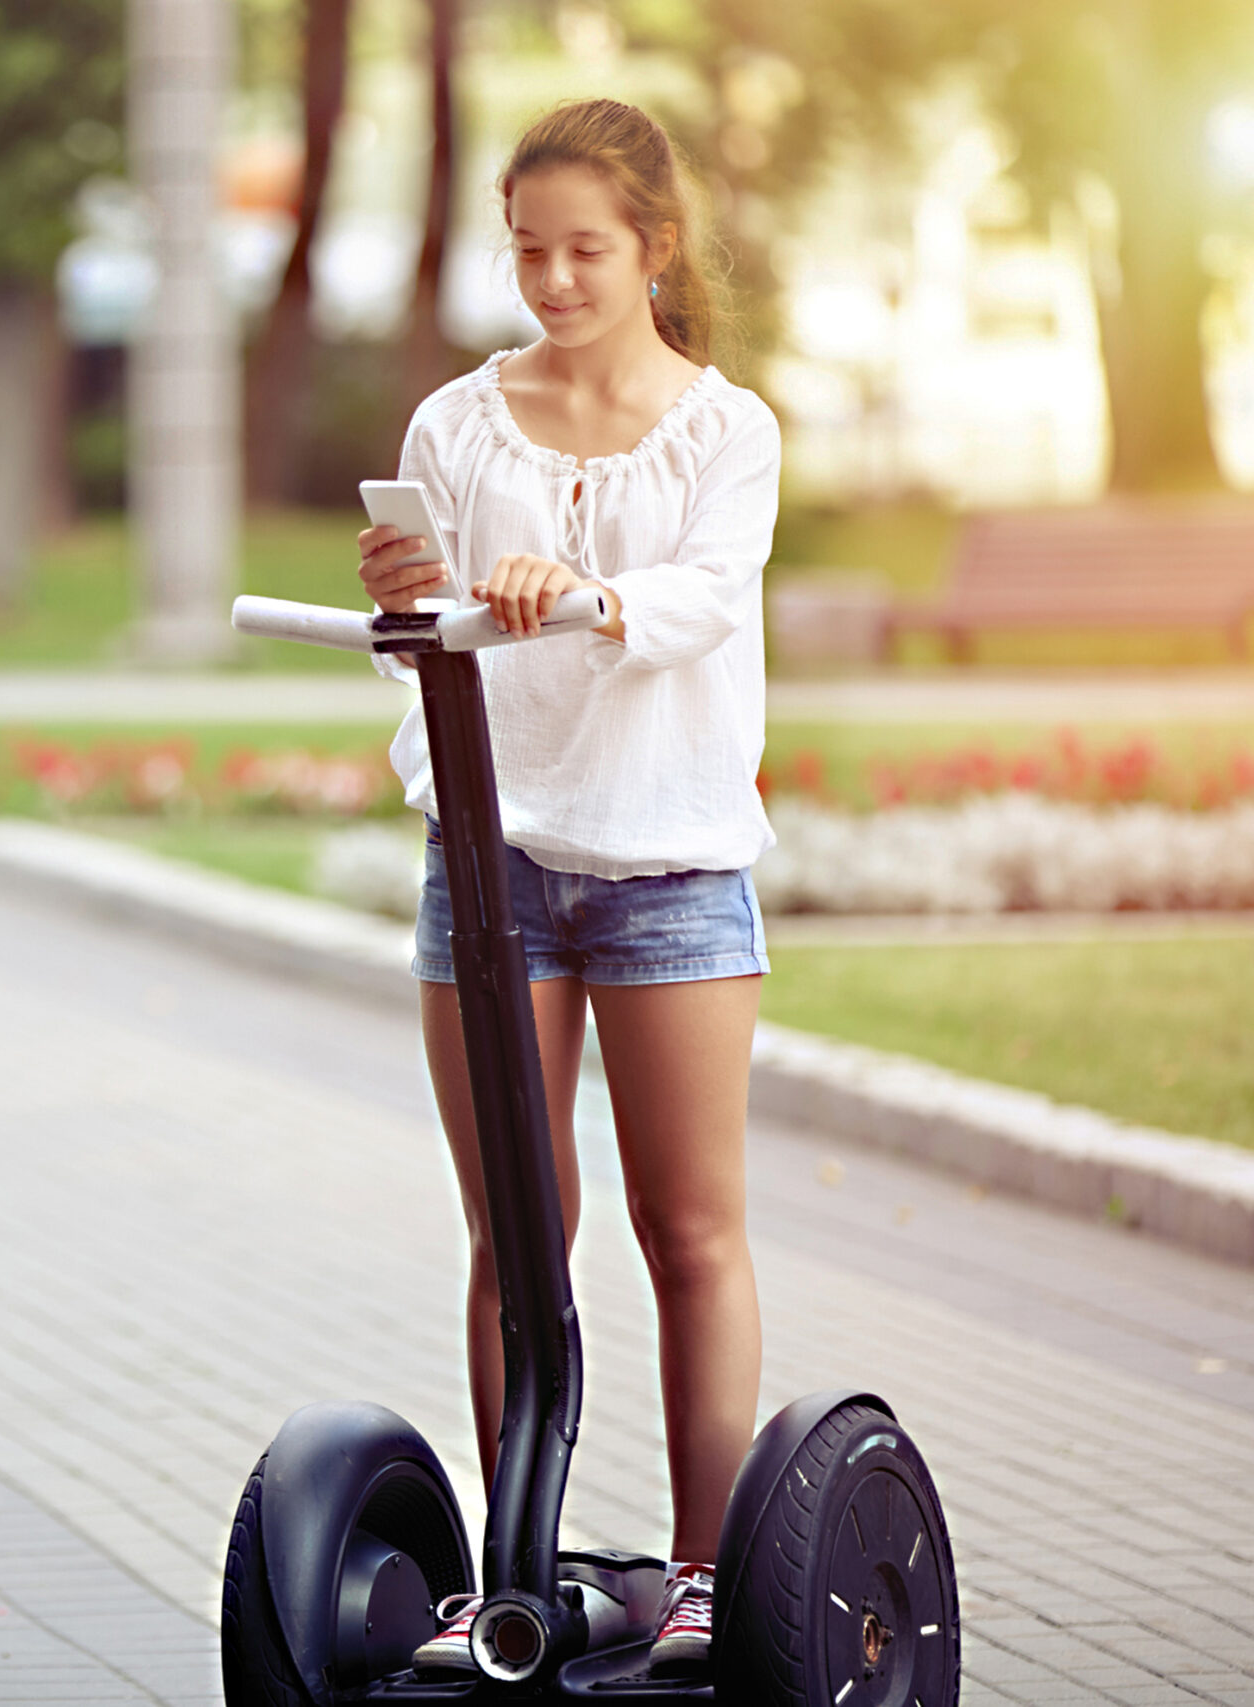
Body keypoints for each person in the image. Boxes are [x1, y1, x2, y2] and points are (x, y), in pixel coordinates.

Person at [357, 99, 779, 1682]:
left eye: (583, 250)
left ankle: (706, 1576)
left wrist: (580, 592)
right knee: (518, 1232)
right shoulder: (457, 429)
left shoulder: (727, 430)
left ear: (652, 249)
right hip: (493, 865)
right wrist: (408, 597)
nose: (551, 280)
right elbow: (429, 640)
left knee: (690, 1227)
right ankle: (509, 1575)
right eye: (527, 249)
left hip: (668, 863)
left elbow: (696, 602)